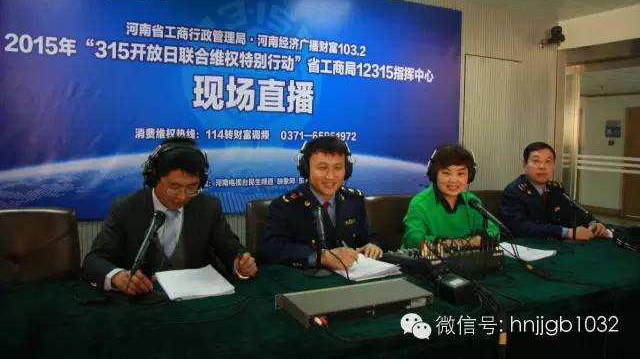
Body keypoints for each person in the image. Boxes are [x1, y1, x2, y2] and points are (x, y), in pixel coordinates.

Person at [82, 137, 257, 295]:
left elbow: (229, 248)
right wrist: (117, 277)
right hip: (143, 301)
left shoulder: (209, 206)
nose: (182, 196)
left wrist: (239, 263)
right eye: (174, 187)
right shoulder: (126, 208)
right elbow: (94, 261)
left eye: (192, 187)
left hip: (197, 302)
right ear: (153, 179)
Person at [261, 136, 382, 270]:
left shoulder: (354, 200)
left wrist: (371, 245)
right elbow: (272, 249)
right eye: (322, 167)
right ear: (306, 169)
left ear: (347, 170)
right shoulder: (285, 206)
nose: (330, 176)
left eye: (338, 167)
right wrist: (322, 257)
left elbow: (367, 237)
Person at [500, 141, 609, 240]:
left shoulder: (556, 189)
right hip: (529, 247)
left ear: (553, 166)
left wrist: (592, 223)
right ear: (524, 164)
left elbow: (574, 212)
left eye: (548, 161)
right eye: (536, 161)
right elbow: (518, 227)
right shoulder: (514, 191)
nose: (542, 166)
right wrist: (567, 232)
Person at [402, 144, 499, 249]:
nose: (453, 180)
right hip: (428, 258)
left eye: (460, 174)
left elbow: (494, 230)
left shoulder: (472, 202)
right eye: (446, 173)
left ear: (470, 175)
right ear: (435, 174)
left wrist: (484, 238)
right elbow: (414, 239)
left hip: (467, 258)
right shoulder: (420, 204)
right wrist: (463, 243)